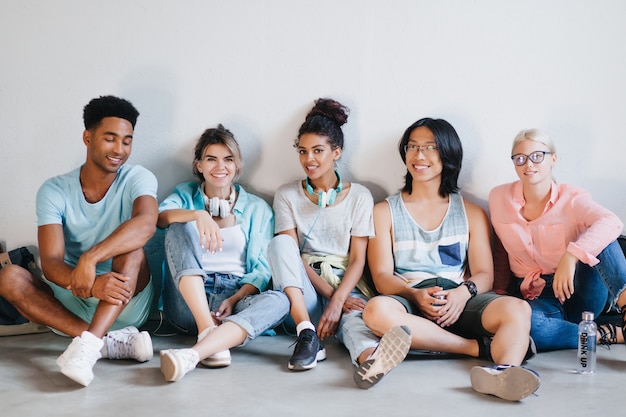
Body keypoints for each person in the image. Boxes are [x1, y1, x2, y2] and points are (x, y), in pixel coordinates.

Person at [362, 117, 540, 402]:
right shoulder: (384, 212)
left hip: (459, 299)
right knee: (375, 312)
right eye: (413, 147)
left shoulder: (471, 212)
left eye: (430, 147)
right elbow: (382, 276)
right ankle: (475, 349)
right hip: (408, 299)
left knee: (518, 309)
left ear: (447, 154)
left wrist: (461, 293)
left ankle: (504, 373)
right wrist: (414, 294)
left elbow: (484, 274)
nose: (419, 155)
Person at [0, 95, 157, 387]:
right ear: (88, 137)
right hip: (74, 297)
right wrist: (89, 281)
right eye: (110, 139)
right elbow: (50, 263)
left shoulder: (138, 177)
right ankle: (103, 342)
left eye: (127, 141)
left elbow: (147, 224)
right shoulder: (54, 190)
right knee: (8, 277)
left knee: (133, 247)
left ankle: (86, 347)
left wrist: (91, 258)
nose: (120, 150)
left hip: (126, 295)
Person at [267, 98, 412, 389]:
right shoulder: (286, 195)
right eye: (303, 151)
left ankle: (371, 360)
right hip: (303, 289)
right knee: (279, 246)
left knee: (354, 322)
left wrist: (340, 300)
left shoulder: (359, 196)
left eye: (318, 151)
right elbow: (291, 256)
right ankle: (307, 335)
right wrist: (334, 298)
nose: (310, 159)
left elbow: (358, 259)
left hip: (347, 283)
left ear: (337, 152)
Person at [158, 124, 289, 382]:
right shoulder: (184, 196)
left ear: (237, 165)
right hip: (188, 301)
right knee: (177, 228)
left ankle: (196, 352)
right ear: (199, 165)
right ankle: (208, 328)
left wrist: (237, 296)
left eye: (228, 159)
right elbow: (161, 219)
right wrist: (197, 215)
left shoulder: (258, 209)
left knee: (281, 301)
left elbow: (262, 268)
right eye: (211, 159)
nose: (220, 166)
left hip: (234, 299)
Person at [489, 128, 626, 351]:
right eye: (520, 159)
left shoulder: (572, 198)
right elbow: (501, 249)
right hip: (540, 297)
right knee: (523, 327)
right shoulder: (498, 197)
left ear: (553, 158)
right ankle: (604, 334)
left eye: (537, 156)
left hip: (580, 288)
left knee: (605, 236)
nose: (528, 164)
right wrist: (500, 294)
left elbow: (612, 222)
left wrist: (571, 256)